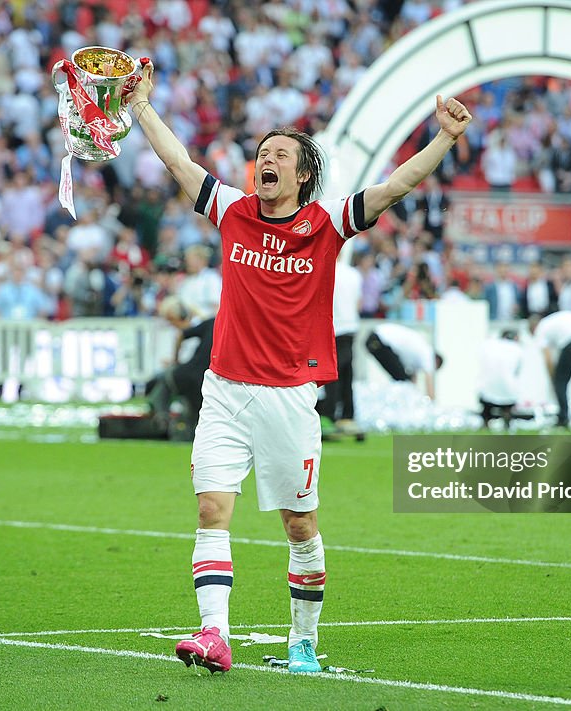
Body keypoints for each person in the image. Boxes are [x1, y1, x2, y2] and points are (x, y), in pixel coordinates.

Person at [126, 57, 472, 674]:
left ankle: (304, 641)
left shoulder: (326, 223)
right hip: (224, 389)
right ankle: (214, 635)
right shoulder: (232, 211)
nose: (267, 159)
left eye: (281, 154)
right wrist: (140, 106)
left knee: (299, 522)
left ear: (303, 172)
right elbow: (179, 164)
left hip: (288, 395)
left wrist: (444, 137)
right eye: (263, 152)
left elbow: (395, 187)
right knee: (211, 509)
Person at [147, 296, 214, 431]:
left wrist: (175, 360)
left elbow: (182, 337)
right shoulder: (213, 324)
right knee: (196, 413)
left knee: (161, 383)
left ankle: (162, 418)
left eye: (170, 320)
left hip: (187, 374)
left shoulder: (204, 324)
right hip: (205, 379)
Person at [529, 310, 571, 427]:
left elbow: (548, 359)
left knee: (560, 380)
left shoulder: (541, 328)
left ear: (533, 328)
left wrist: (554, 379)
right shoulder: (553, 320)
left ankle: (563, 417)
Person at [316, 258, 362, 433]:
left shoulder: (325, 269)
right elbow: (359, 303)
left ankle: (328, 415)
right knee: (347, 375)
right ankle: (348, 415)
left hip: (334, 328)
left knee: (331, 375)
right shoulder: (354, 274)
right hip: (351, 328)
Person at [365, 321, 443, 400]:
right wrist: (432, 402)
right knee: (403, 381)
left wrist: (414, 396)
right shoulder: (428, 354)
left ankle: (396, 400)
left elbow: (413, 378)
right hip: (378, 340)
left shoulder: (419, 353)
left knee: (403, 380)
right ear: (436, 361)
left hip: (375, 339)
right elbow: (429, 382)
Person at [476, 329, 523, 427]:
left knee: (486, 407)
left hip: (487, 388)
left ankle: (485, 424)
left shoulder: (489, 345)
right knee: (508, 404)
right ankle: (507, 424)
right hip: (508, 389)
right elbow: (517, 371)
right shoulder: (517, 349)